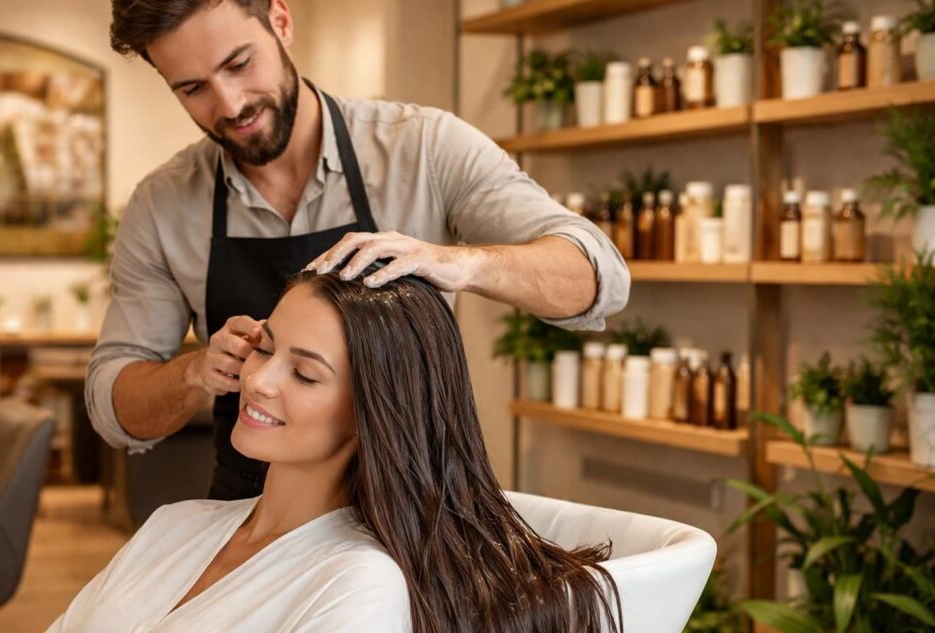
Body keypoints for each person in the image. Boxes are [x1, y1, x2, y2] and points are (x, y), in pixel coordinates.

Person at [87, 0, 630, 500]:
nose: (230, 104)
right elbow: (114, 407)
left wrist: (456, 262)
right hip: (252, 514)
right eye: (192, 88)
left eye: (239, 64)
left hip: (415, 513)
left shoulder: (424, 148)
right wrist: (195, 373)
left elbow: (598, 275)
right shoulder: (162, 206)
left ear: (280, 20)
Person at [44, 264, 620, 633]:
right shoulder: (176, 525)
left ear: (374, 410)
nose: (260, 380)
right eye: (263, 348)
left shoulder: (356, 583)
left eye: (305, 374)